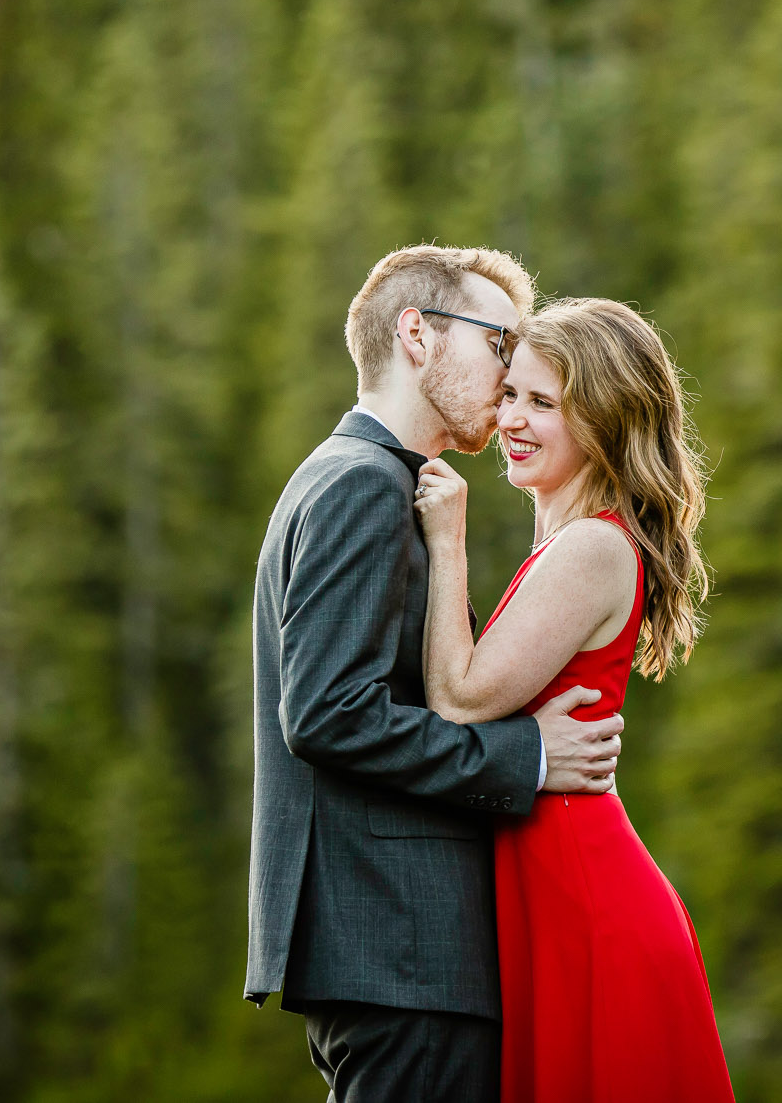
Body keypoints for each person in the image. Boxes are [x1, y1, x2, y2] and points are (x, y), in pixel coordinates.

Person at [245, 246, 626, 1103]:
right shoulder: (364, 486)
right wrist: (526, 757)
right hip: (404, 943)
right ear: (417, 335)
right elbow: (329, 713)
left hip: (390, 950)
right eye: (499, 343)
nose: (510, 372)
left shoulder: (356, 477)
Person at [413, 297, 735, 1103]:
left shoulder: (592, 544)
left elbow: (458, 696)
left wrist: (447, 539)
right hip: (556, 896)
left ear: (603, 419)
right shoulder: (569, 536)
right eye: (511, 392)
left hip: (590, 910)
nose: (513, 420)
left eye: (543, 403)